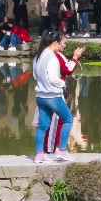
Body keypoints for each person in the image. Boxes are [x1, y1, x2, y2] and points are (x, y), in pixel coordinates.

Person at [32, 33, 83, 163]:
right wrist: (63, 85)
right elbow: (54, 78)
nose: (63, 46)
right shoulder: (52, 58)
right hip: (53, 96)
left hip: (40, 96)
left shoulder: (38, 56)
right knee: (68, 120)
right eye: (62, 43)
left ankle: (39, 154)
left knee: (43, 126)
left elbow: (35, 76)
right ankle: (61, 150)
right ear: (55, 43)